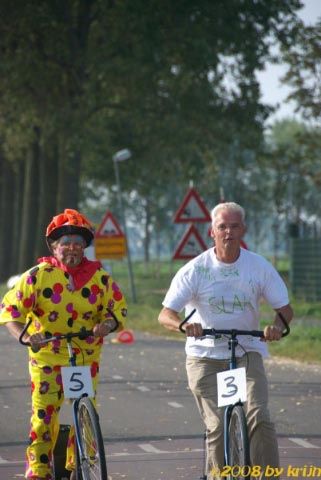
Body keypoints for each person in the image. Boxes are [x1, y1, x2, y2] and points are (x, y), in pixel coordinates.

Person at [158, 202, 293, 480]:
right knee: (217, 424)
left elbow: (285, 309)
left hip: (247, 351)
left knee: (259, 415)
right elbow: (165, 314)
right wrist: (184, 326)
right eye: (222, 227)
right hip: (204, 356)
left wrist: (276, 327)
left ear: (243, 229)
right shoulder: (195, 269)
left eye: (234, 226)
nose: (228, 232)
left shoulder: (259, 266)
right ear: (212, 232)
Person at [0, 208, 127, 480]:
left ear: (85, 247)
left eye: (78, 243)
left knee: (85, 412)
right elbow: (10, 311)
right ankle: (39, 470)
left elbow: (118, 310)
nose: (72, 248)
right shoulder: (37, 276)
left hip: (84, 354)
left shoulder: (100, 278)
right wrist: (25, 335)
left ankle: (78, 466)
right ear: (54, 246)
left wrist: (106, 325)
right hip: (46, 354)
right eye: (65, 242)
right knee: (44, 416)